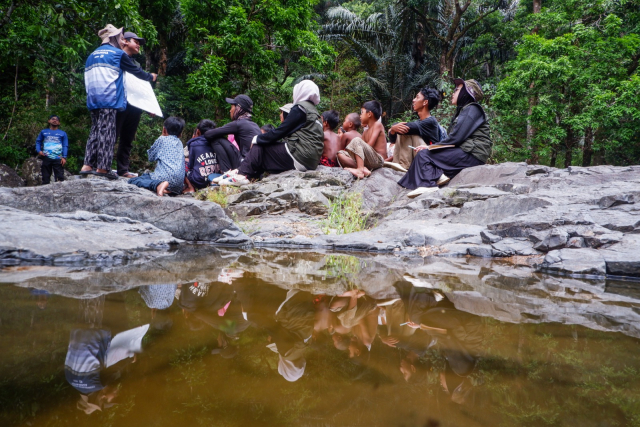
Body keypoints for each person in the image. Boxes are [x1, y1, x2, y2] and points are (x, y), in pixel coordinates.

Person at [80, 24, 157, 180]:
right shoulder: (117, 54)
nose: (122, 41)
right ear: (114, 38)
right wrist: (151, 77)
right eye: (121, 38)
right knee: (108, 134)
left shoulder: (92, 55)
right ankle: (103, 168)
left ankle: (87, 165)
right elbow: (138, 73)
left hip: (94, 98)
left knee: (95, 132)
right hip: (110, 99)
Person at [216, 80, 324, 186]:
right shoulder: (314, 112)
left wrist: (257, 139)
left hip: (300, 155)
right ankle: (241, 172)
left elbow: (281, 131)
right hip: (311, 160)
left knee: (260, 145)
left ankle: (241, 175)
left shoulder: (300, 108)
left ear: (301, 91)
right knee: (264, 154)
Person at [398, 78, 492, 198]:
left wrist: (431, 147)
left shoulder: (472, 109)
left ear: (466, 93)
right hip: (468, 152)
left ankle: (429, 185)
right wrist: (430, 147)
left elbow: (456, 138)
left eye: (457, 90)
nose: (453, 93)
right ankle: (438, 176)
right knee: (424, 154)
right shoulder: (465, 110)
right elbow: (456, 139)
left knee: (424, 155)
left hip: (472, 154)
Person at [114, 31, 150, 178]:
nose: (139, 45)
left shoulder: (136, 63)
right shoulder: (115, 56)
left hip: (135, 105)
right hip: (119, 102)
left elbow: (142, 86)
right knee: (112, 135)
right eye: (136, 41)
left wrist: (149, 106)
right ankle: (102, 166)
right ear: (126, 41)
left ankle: (123, 169)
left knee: (127, 138)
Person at [386, 88, 446, 172]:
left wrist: (394, 127)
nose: (414, 100)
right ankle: (397, 163)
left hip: (430, 158)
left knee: (405, 130)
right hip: (420, 155)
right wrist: (393, 129)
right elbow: (393, 140)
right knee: (403, 129)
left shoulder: (430, 121)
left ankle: (404, 165)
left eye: (417, 97)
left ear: (425, 102)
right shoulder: (419, 122)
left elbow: (404, 128)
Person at [128, 116, 185, 196]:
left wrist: (161, 136)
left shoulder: (162, 139)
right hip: (178, 186)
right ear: (180, 134)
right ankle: (166, 190)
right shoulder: (180, 143)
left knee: (134, 180)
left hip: (163, 178)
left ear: (164, 129)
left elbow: (150, 157)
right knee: (147, 175)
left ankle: (158, 185)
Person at [183, 119, 241, 192]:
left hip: (199, 182)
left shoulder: (194, 144)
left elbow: (191, 165)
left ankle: (190, 187)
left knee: (183, 163)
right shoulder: (218, 142)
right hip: (216, 177)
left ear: (198, 131)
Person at [337, 101, 387, 178]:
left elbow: (369, 145)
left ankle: (360, 170)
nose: (360, 116)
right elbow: (360, 149)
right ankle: (363, 168)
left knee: (357, 140)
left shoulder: (377, 125)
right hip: (368, 160)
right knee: (340, 154)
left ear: (369, 114)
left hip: (378, 160)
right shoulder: (365, 131)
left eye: (362, 112)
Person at [203, 94, 261, 159]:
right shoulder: (254, 125)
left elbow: (208, 134)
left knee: (217, 139)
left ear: (238, 108)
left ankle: (225, 169)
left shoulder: (239, 124)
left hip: (246, 163)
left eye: (231, 107)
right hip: (256, 163)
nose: (230, 111)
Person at [35, 115, 68, 184]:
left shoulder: (62, 133)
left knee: (60, 178)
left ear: (59, 123)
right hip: (46, 157)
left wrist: (64, 157)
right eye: (53, 119)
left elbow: (65, 145)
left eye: (57, 120)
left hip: (58, 158)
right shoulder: (43, 132)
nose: (55, 120)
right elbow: (38, 141)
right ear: (49, 121)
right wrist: (39, 151)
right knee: (45, 177)